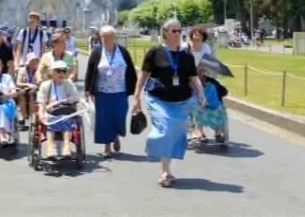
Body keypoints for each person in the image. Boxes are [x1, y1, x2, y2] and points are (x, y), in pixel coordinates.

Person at [133, 18, 204, 187]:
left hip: (182, 101)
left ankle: (167, 168)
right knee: (165, 128)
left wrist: (201, 93)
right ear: (165, 32)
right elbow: (143, 76)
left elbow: (193, 77)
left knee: (174, 133)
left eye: (180, 31)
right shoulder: (154, 52)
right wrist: (136, 97)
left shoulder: (186, 55)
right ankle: (164, 171)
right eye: (174, 31)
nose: (178, 34)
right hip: (159, 99)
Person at [84, 25, 137, 159]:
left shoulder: (123, 52)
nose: (105, 39)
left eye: (108, 37)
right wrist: (87, 89)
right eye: (103, 37)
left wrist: (135, 89)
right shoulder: (97, 52)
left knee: (119, 116)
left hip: (120, 91)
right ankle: (107, 147)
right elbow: (90, 71)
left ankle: (116, 135)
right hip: (102, 92)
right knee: (104, 120)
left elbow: (130, 69)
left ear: (114, 38)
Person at [37, 60, 80, 159]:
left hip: (65, 110)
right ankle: (50, 149)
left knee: (66, 120)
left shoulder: (68, 84)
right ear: (52, 72)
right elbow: (41, 101)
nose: (61, 73)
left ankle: (66, 148)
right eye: (58, 71)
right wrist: (41, 113)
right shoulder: (46, 85)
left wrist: (64, 101)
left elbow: (76, 97)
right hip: (51, 112)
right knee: (50, 121)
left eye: (64, 71)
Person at [189, 67, 228, 143]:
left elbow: (224, 91)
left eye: (201, 71)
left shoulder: (211, 81)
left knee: (219, 110)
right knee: (197, 110)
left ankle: (218, 133)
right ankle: (200, 132)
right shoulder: (189, 81)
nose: (199, 73)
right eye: (198, 72)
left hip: (211, 106)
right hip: (198, 107)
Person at [15, 52, 40, 128]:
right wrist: (27, 85)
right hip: (24, 89)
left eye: (35, 61)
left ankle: (33, 119)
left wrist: (36, 85)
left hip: (35, 90)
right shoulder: (22, 70)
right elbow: (18, 83)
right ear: (28, 62)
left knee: (32, 95)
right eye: (32, 61)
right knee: (21, 95)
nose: (34, 63)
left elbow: (40, 82)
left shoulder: (39, 71)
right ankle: (22, 118)